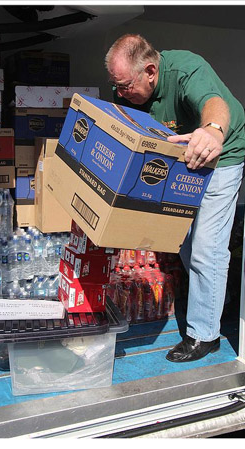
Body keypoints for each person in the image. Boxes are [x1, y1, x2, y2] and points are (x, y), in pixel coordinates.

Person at [105, 34, 245, 362]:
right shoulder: (125, 90)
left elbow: (215, 104)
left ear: (150, 72)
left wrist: (211, 130)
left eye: (125, 85)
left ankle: (204, 335)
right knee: (181, 240)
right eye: (116, 85)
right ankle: (212, 297)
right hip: (179, 157)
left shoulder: (187, 71)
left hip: (220, 154)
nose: (120, 92)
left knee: (206, 248)